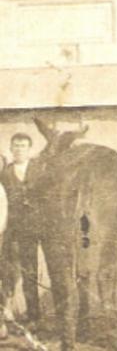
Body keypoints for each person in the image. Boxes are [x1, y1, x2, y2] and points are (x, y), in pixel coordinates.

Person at [1, 133, 40, 328]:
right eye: (15, 145)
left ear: (29, 149)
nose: (19, 149)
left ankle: (33, 316)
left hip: (32, 231)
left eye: (23, 146)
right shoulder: (4, 172)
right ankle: (7, 314)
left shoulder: (38, 169)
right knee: (8, 271)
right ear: (10, 148)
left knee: (30, 272)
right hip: (10, 230)